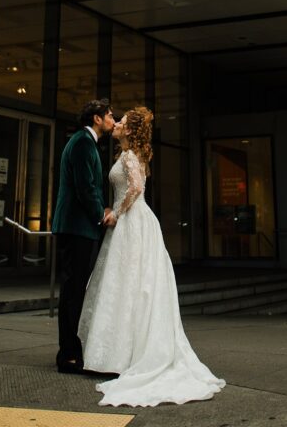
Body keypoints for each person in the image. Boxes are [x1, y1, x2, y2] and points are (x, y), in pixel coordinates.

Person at [79, 106, 225, 407]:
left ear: (130, 130)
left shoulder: (131, 157)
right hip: (130, 222)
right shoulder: (126, 155)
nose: (116, 124)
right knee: (125, 285)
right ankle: (119, 352)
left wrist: (116, 212)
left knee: (132, 283)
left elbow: (135, 187)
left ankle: (125, 354)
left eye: (121, 122)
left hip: (133, 222)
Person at [52, 97, 115, 374]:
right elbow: (85, 187)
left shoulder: (86, 142)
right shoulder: (81, 143)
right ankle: (67, 355)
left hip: (80, 227)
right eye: (110, 116)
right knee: (73, 291)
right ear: (97, 119)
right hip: (77, 227)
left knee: (75, 289)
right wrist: (101, 215)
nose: (113, 120)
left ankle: (71, 351)